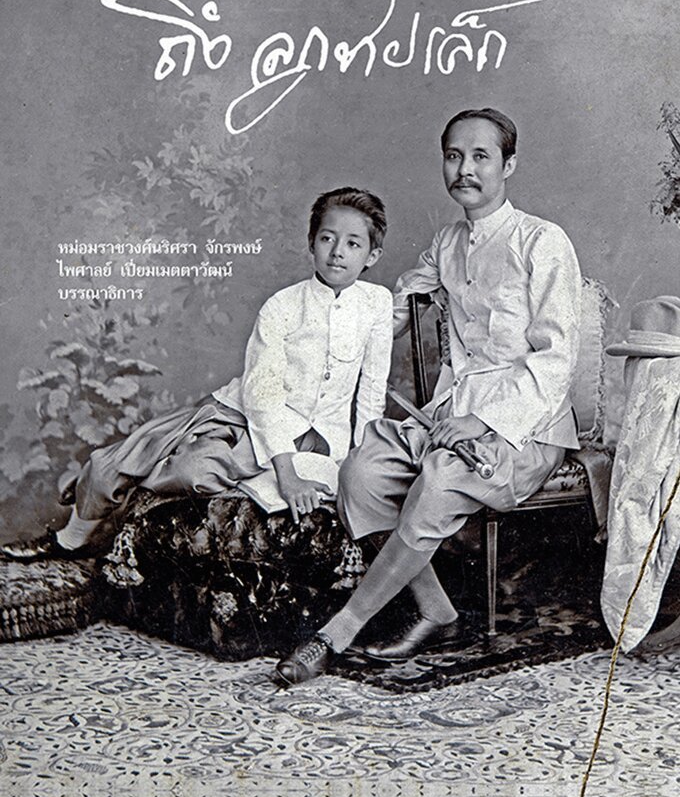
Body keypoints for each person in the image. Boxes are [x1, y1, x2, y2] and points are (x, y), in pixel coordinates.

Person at [276, 107, 582, 685]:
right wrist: (325, 325)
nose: (465, 169)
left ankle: (335, 634)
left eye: (481, 156)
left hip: (526, 430)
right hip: (447, 418)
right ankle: (436, 609)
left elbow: (556, 359)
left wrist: (483, 422)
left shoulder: (542, 241)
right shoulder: (447, 244)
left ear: (509, 165)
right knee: (360, 473)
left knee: (439, 479)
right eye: (453, 156)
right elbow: (389, 312)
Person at [2, 187, 393, 560]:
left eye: (353, 244)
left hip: (316, 436)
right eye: (327, 238)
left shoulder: (377, 304)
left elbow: (372, 391)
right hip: (240, 412)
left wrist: (360, 465)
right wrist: (287, 475)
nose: (337, 252)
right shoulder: (282, 306)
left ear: (372, 256)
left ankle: (148, 475)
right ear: (311, 243)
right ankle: (71, 539)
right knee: (125, 457)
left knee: (193, 473)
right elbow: (262, 394)